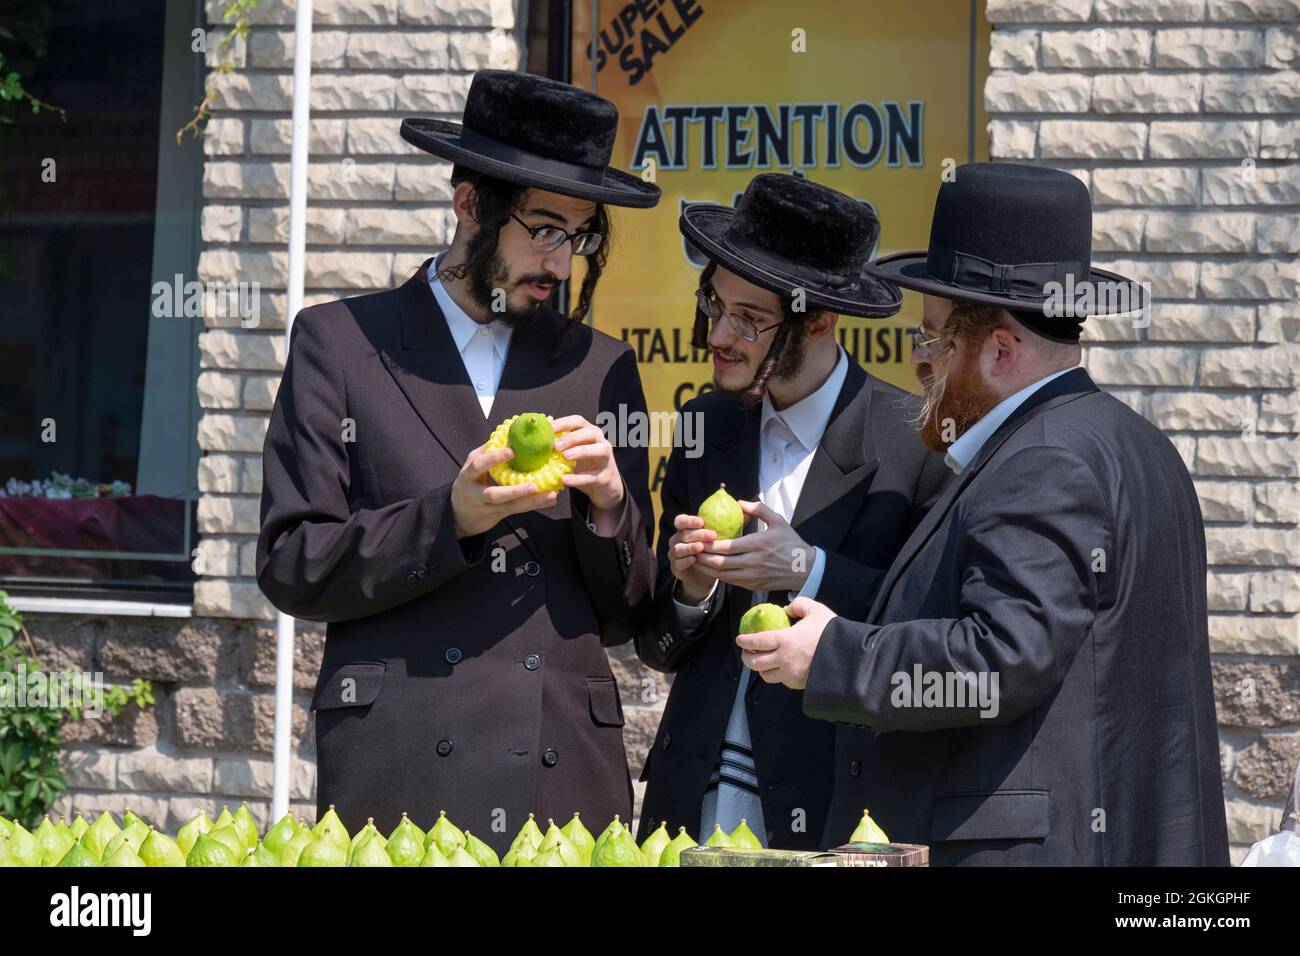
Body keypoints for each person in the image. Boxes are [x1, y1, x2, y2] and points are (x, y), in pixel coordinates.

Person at [735, 162, 1230, 866]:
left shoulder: (1044, 460)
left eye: (935, 340)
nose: (920, 361)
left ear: (999, 349)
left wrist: (834, 656)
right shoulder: (1133, 444)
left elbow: (1001, 657)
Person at [256, 69, 660, 853]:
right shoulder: (340, 343)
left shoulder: (602, 366)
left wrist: (611, 509)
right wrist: (451, 518)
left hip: (562, 779)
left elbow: (631, 613)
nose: (561, 264)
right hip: (401, 769)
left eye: (577, 236)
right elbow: (292, 565)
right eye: (543, 230)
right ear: (470, 204)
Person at [634, 173, 949, 849]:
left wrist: (809, 568)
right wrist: (691, 591)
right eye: (714, 304)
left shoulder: (915, 441)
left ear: (821, 321)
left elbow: (927, 631)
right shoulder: (703, 426)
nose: (719, 335)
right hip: (689, 803)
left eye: (749, 319)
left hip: (832, 804)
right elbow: (657, 644)